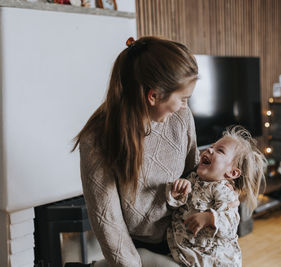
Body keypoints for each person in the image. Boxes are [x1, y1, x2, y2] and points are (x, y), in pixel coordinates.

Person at [71, 36, 202, 267]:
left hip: (184, 238)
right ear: (153, 96)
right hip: (137, 247)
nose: (185, 105)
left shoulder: (181, 117)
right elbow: (108, 222)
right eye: (182, 99)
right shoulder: (98, 139)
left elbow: (196, 174)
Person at [165, 126, 265, 267]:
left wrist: (210, 218)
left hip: (213, 261)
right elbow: (176, 206)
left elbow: (231, 223)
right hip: (186, 253)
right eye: (212, 147)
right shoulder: (193, 179)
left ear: (232, 173)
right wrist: (177, 193)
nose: (210, 150)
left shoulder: (223, 191)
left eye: (220, 151)